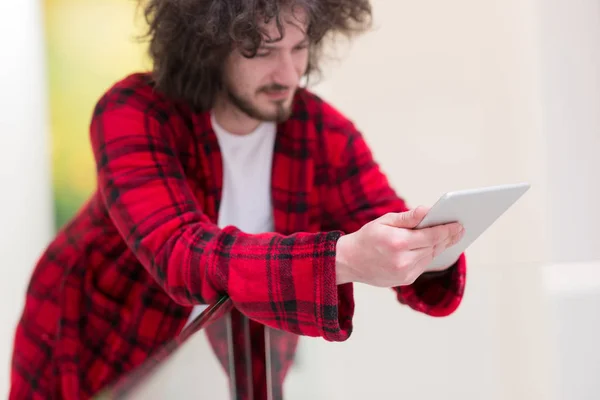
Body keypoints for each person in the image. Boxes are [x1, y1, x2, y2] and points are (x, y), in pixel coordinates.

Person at [10, 0, 467, 399]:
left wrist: (427, 246)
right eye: (263, 51)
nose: (288, 74)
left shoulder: (320, 131)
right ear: (208, 44)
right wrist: (341, 258)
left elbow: (386, 224)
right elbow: (181, 255)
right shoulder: (135, 111)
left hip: (224, 365)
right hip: (90, 346)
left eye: (299, 47)